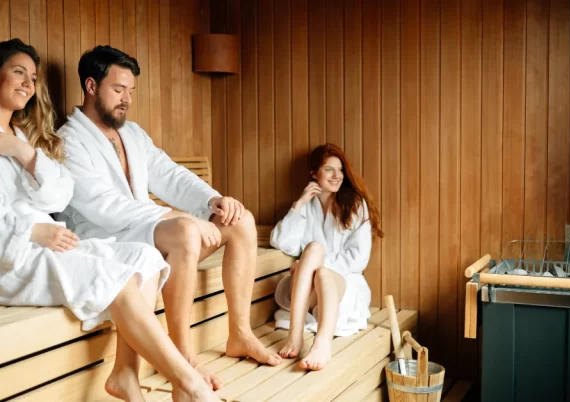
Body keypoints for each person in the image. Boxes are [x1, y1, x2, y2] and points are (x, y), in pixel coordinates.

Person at [0, 39, 218, 402]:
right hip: (3, 261)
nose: (28, 84)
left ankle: (125, 374)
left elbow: (59, 194)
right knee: (114, 276)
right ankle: (188, 383)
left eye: (33, 78)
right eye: (18, 73)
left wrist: (26, 154)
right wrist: (31, 230)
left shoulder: (21, 139)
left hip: (47, 245)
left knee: (144, 258)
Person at [55, 45, 281, 389]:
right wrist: (178, 218)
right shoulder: (68, 141)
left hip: (149, 233)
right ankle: (183, 356)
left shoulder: (131, 134)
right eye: (118, 89)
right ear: (90, 86)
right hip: (107, 246)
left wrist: (214, 200)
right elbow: (104, 206)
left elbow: (170, 175)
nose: (126, 99)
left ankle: (240, 333)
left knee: (241, 220)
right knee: (186, 233)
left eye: (130, 91)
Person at [270, 143, 383, 371]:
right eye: (329, 169)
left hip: (344, 286)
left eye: (340, 170)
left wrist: (308, 266)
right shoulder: (306, 206)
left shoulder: (355, 205)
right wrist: (299, 204)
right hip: (309, 291)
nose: (337, 176)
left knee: (320, 267)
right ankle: (296, 334)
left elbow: (358, 259)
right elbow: (281, 241)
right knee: (314, 250)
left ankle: (320, 343)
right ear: (314, 173)